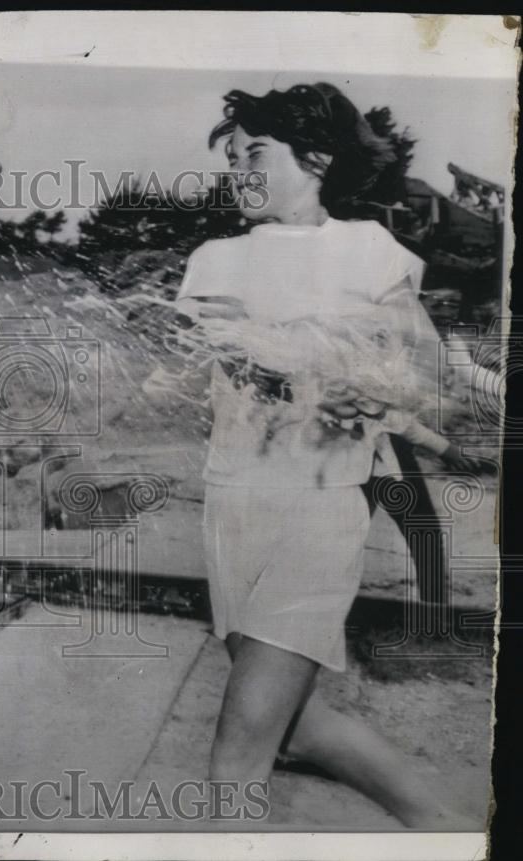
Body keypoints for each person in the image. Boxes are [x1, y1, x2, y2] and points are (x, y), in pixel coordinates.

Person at [175, 82, 476, 828]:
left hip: (314, 514)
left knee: (236, 754)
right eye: (233, 156)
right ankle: (452, 831)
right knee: (299, 726)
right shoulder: (211, 260)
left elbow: (425, 375)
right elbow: (188, 387)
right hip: (229, 507)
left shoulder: (369, 250)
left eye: (257, 152)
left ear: (315, 157)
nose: (240, 169)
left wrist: (377, 396)